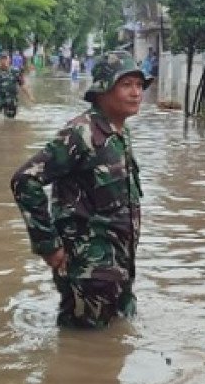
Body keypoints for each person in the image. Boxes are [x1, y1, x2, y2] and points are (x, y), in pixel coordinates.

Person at [10, 53, 151, 328]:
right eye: (127, 85)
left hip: (119, 268)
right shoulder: (81, 133)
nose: (136, 93)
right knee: (83, 350)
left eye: (139, 85)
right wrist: (49, 245)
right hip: (87, 271)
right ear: (103, 90)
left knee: (109, 351)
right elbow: (25, 180)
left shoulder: (119, 133)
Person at [0, 52, 32, 118]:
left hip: (12, 99)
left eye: (6, 59)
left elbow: (22, 85)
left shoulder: (15, 71)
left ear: (9, 60)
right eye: (2, 59)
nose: (4, 61)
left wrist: (30, 96)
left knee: (10, 120)